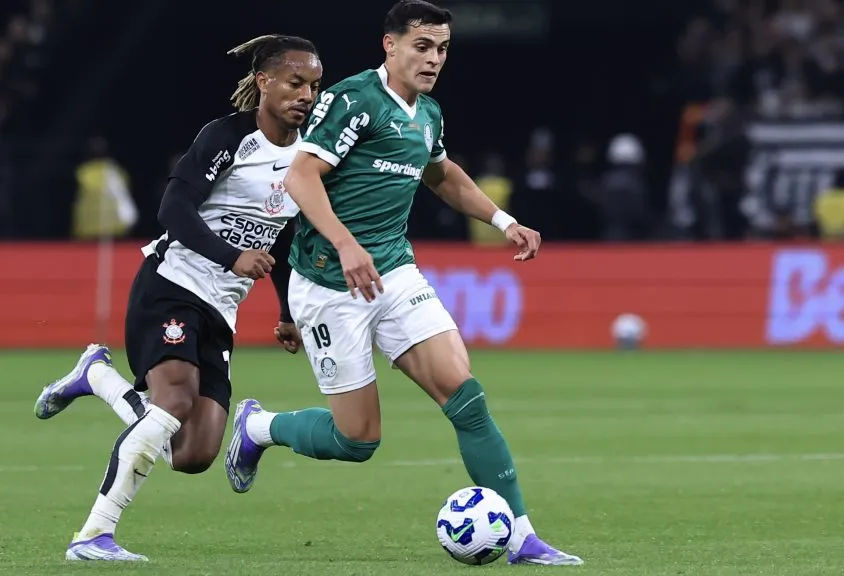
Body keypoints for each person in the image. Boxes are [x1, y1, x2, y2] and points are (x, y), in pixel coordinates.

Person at [223, 1, 582, 566]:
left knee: (466, 398)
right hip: (327, 284)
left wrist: (504, 221)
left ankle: (520, 536)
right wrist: (345, 245)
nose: (434, 58)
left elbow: (442, 175)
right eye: (422, 46)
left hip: (393, 272)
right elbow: (300, 175)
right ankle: (260, 426)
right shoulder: (354, 99)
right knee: (356, 441)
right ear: (389, 45)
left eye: (442, 48)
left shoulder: (428, 114)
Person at [34, 34, 322, 562]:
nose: (306, 94)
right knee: (173, 401)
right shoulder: (227, 137)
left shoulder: (307, 158)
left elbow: (282, 236)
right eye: (295, 82)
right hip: (173, 285)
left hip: (223, 308)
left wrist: (285, 311)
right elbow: (175, 208)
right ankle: (93, 535)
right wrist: (231, 256)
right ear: (264, 82)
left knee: (193, 454)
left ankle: (95, 376)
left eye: (313, 85)